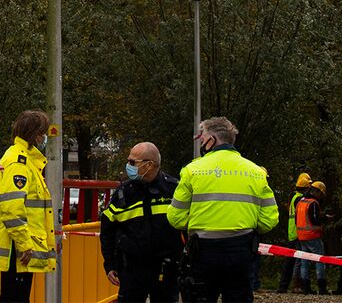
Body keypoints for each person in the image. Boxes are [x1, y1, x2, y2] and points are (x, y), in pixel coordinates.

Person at [167, 116, 278, 303]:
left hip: (202, 252)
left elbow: (175, 217)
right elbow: (269, 219)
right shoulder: (256, 172)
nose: (202, 143)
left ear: (212, 140)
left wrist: (199, 222)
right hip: (241, 251)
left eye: (202, 139)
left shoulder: (192, 170)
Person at [0, 109, 57, 303]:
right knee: (15, 297)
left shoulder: (23, 159)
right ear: (34, 133)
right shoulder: (19, 162)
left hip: (18, 244)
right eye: (42, 132)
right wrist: (25, 245)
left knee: (15, 297)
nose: (44, 137)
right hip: (17, 246)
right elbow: (12, 208)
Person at [100, 141, 184, 302]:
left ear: (149, 165)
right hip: (132, 270)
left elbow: (187, 227)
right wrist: (109, 264)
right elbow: (107, 231)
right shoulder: (124, 193)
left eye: (132, 162)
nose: (128, 166)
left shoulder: (174, 190)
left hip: (166, 269)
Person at [277, 172, 314, 293]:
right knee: (297, 261)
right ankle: (296, 286)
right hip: (297, 233)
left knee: (292, 261)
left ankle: (285, 286)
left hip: (293, 232)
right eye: (309, 187)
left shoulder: (294, 197)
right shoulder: (299, 199)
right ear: (305, 188)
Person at [295, 180, 328, 294]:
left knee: (304, 262)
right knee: (319, 261)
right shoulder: (313, 203)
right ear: (317, 192)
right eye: (321, 194)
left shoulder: (300, 201)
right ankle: (322, 288)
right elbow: (314, 220)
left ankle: (305, 288)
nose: (321, 197)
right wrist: (324, 218)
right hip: (313, 236)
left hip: (301, 236)